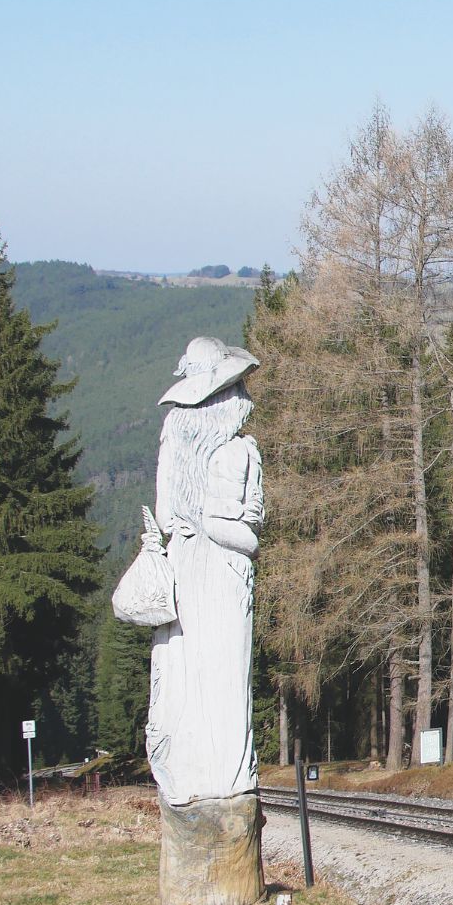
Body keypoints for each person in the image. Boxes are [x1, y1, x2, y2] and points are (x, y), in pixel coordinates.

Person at [146, 337, 264, 807]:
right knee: (225, 685)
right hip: (222, 574)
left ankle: (188, 786)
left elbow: (162, 510)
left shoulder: (173, 435)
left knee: (184, 683)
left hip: (181, 569)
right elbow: (246, 531)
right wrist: (233, 531)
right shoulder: (239, 452)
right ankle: (228, 786)